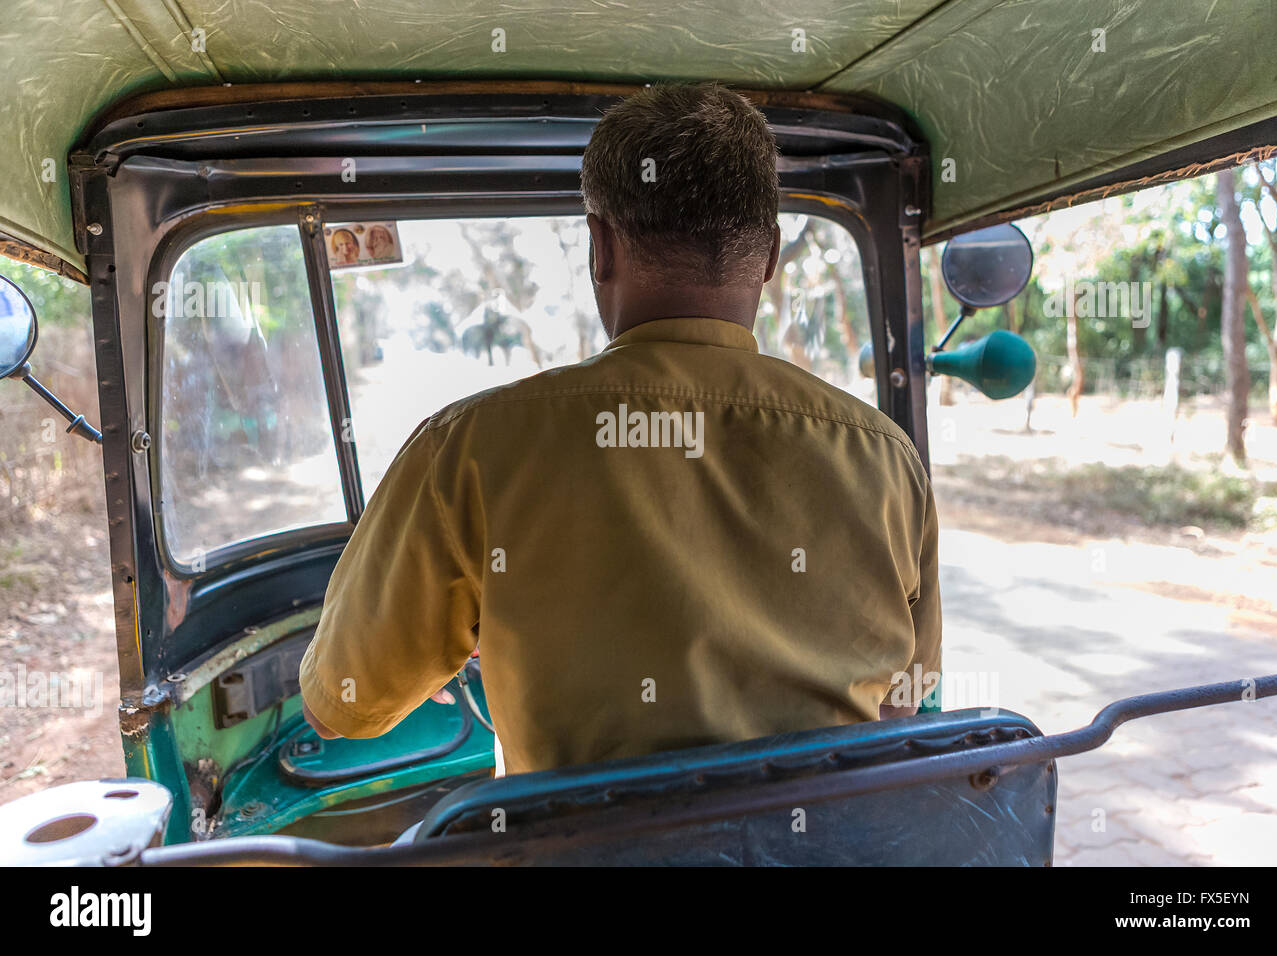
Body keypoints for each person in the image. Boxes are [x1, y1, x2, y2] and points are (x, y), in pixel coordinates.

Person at [298, 82, 941, 776]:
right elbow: (903, 700)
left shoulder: (471, 450)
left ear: (599, 248)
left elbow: (343, 704)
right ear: (770, 257)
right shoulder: (885, 459)